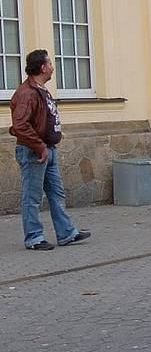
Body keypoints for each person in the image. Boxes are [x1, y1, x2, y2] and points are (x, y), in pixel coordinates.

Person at [10, 49, 90, 251]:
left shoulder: (40, 89)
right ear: (43, 67)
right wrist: (40, 146)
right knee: (32, 197)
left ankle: (66, 233)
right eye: (51, 64)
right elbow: (20, 126)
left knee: (57, 192)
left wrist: (54, 134)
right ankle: (34, 238)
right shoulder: (26, 93)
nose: (53, 68)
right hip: (34, 152)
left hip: (47, 148)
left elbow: (42, 118)